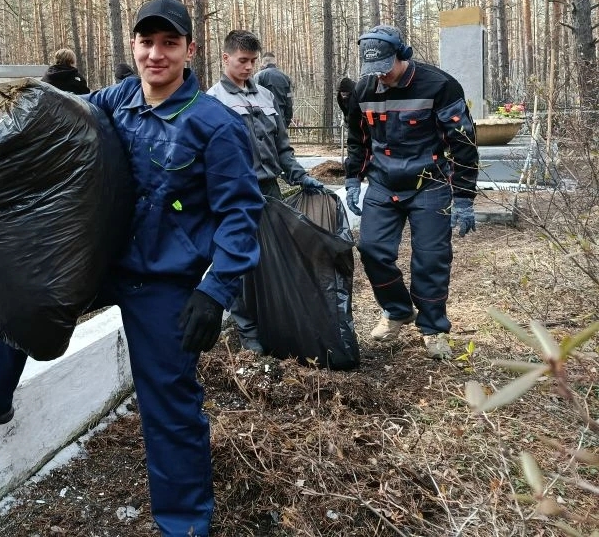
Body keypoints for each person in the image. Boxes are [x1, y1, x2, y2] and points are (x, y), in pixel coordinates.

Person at [0, 0, 263, 537]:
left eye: (169, 44)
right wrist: (9, 102)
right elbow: (61, 111)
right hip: (104, 258)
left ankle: (185, 524)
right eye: (146, 43)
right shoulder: (119, 99)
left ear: (189, 50)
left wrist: (216, 290)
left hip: (163, 281)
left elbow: (242, 215)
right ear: (133, 47)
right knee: (23, 292)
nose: (156, 54)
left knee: (169, 404)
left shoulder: (214, 126)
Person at [343, 25, 479, 361]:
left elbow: (462, 141)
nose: (382, 77)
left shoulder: (440, 85)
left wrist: (463, 196)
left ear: (402, 56)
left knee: (430, 260)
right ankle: (397, 311)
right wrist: (352, 179)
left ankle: (433, 328)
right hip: (383, 183)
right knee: (372, 249)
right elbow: (358, 139)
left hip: (429, 185)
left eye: (386, 69)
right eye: (374, 71)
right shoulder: (365, 89)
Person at [205, 29, 325, 353]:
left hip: (270, 189)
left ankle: (276, 322)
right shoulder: (213, 101)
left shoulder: (266, 97)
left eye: (252, 61)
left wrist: (301, 177)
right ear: (226, 58)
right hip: (234, 196)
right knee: (238, 262)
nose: (248, 67)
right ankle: (249, 334)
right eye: (242, 61)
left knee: (273, 259)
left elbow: (282, 149)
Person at [253, 50, 294, 127]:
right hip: (281, 119)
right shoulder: (285, 77)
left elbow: (255, 100)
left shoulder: (259, 76)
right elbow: (289, 100)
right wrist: (287, 120)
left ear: (263, 63)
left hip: (264, 120)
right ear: (274, 63)